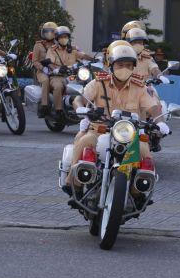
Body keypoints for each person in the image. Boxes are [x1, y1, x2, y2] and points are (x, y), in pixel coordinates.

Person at [66, 42, 170, 190]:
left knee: (145, 151)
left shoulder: (139, 87)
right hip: (100, 129)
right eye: (120, 65)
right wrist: (81, 108)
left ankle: (139, 192)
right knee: (84, 140)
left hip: (130, 134)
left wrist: (160, 122)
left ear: (133, 67)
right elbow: (79, 99)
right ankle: (73, 182)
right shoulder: (99, 83)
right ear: (111, 65)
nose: (124, 69)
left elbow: (153, 107)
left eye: (128, 65)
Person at [46, 26, 93, 120]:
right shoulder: (52, 50)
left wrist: (93, 59)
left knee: (88, 83)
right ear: (57, 39)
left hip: (72, 75)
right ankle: (58, 110)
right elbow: (49, 62)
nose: (64, 39)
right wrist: (56, 70)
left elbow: (83, 55)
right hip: (57, 76)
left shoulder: (73, 50)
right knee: (58, 86)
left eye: (66, 37)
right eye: (61, 37)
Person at [126, 27, 170, 116]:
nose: (138, 44)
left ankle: (159, 122)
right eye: (135, 42)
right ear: (129, 43)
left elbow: (154, 68)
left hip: (145, 87)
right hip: (126, 88)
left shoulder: (146, 56)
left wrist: (160, 76)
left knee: (156, 104)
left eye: (140, 42)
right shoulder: (123, 56)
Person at [32, 21, 57, 118]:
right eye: (47, 31)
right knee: (46, 80)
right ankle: (44, 106)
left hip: (56, 70)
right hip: (42, 72)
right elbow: (35, 61)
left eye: (52, 31)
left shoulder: (58, 45)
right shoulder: (38, 45)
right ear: (43, 33)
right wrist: (43, 69)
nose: (49, 34)